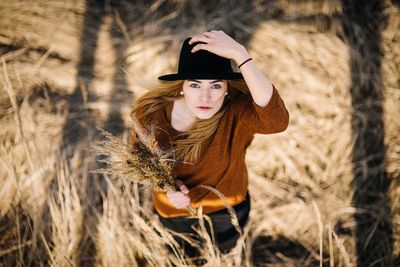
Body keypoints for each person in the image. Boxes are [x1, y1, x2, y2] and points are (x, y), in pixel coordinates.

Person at [131, 30, 289, 258]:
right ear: (182, 86)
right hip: (173, 211)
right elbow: (138, 161)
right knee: (180, 258)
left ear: (227, 90)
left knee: (221, 257)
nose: (205, 98)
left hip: (225, 209)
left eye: (215, 86)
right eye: (195, 85)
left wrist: (240, 54)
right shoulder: (149, 115)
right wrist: (165, 187)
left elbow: (277, 122)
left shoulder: (236, 113)